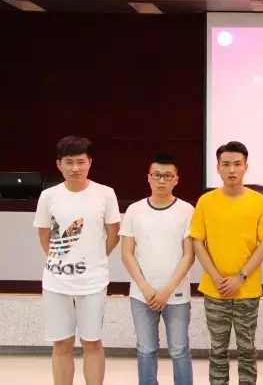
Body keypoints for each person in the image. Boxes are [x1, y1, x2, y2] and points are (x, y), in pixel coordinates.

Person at [33, 135, 121, 385]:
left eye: (81, 162)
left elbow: (113, 234)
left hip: (93, 282)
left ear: (90, 162)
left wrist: (94, 259)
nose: (75, 168)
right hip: (56, 283)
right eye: (69, 162)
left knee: (92, 343)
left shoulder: (105, 194)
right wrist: (61, 261)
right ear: (59, 164)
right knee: (61, 344)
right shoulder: (48, 196)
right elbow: (44, 235)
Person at [191, 141, 263, 385]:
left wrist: (240, 277)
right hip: (215, 289)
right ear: (218, 167)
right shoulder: (206, 201)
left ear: (245, 167)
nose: (232, 169)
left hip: (247, 289)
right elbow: (198, 242)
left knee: (247, 348)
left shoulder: (259, 202)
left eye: (237, 164)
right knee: (217, 348)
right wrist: (217, 277)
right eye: (226, 164)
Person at [120, 153, 195, 385]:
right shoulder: (134, 210)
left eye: (167, 176)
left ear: (176, 180)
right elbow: (126, 254)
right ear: (148, 178)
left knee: (179, 349)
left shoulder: (187, 210)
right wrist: (145, 288)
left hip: (177, 294)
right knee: (145, 350)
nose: (162, 180)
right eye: (157, 175)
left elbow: (189, 255)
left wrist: (167, 290)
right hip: (141, 295)